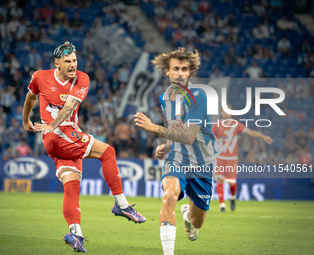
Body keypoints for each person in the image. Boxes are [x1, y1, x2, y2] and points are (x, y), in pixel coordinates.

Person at [21, 42, 145, 253]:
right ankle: (122, 205)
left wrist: (44, 124)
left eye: (75, 60)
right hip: (59, 135)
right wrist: (26, 120)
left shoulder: (82, 78)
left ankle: (75, 234)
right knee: (108, 152)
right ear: (57, 63)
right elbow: (31, 97)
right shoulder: (40, 77)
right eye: (67, 61)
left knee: (72, 184)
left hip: (58, 137)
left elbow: (69, 105)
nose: (72, 65)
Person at [134, 47, 218, 255]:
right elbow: (177, 129)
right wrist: (169, 146)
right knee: (169, 195)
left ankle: (189, 215)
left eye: (184, 69)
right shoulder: (166, 98)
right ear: (168, 72)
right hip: (178, 158)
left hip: (202, 163)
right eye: (176, 69)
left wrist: (154, 128)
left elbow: (189, 136)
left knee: (197, 223)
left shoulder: (198, 95)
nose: (180, 73)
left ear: (190, 73)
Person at [212, 107, 273, 212]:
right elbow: (209, 137)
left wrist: (263, 136)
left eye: (228, 112)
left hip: (231, 158)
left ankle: (232, 198)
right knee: (220, 180)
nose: (226, 114)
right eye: (224, 111)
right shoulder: (217, 125)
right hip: (220, 157)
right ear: (221, 112)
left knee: (231, 183)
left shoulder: (235, 124)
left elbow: (249, 132)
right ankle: (222, 205)